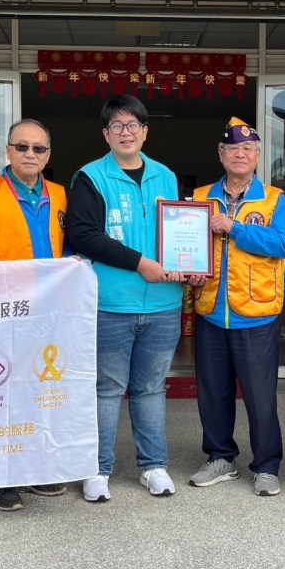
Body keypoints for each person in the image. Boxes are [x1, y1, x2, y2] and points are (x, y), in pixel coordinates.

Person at [66, 94, 184, 503]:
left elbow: (180, 232)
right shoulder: (90, 177)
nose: (125, 132)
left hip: (164, 302)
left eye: (133, 125)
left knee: (151, 387)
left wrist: (186, 265)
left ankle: (154, 466)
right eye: (117, 125)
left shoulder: (166, 176)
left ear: (145, 131)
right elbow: (83, 234)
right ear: (106, 134)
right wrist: (140, 263)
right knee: (107, 388)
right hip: (111, 302)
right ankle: (98, 469)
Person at [0, 118, 70, 511]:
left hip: (46, 317)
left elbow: (70, 252)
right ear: (8, 151)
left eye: (38, 148)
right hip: (0, 317)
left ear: (48, 155)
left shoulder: (60, 195)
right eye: (21, 147)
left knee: (40, 394)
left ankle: (34, 468)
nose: (30, 154)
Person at [186, 118, 285, 497]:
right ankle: (220, 457)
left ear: (258, 155)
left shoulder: (275, 200)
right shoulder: (200, 196)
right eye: (232, 148)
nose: (240, 154)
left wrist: (235, 228)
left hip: (257, 313)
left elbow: (284, 245)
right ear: (221, 155)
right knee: (212, 393)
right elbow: (187, 245)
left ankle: (267, 464)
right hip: (211, 309)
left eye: (248, 149)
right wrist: (189, 272)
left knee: (260, 397)